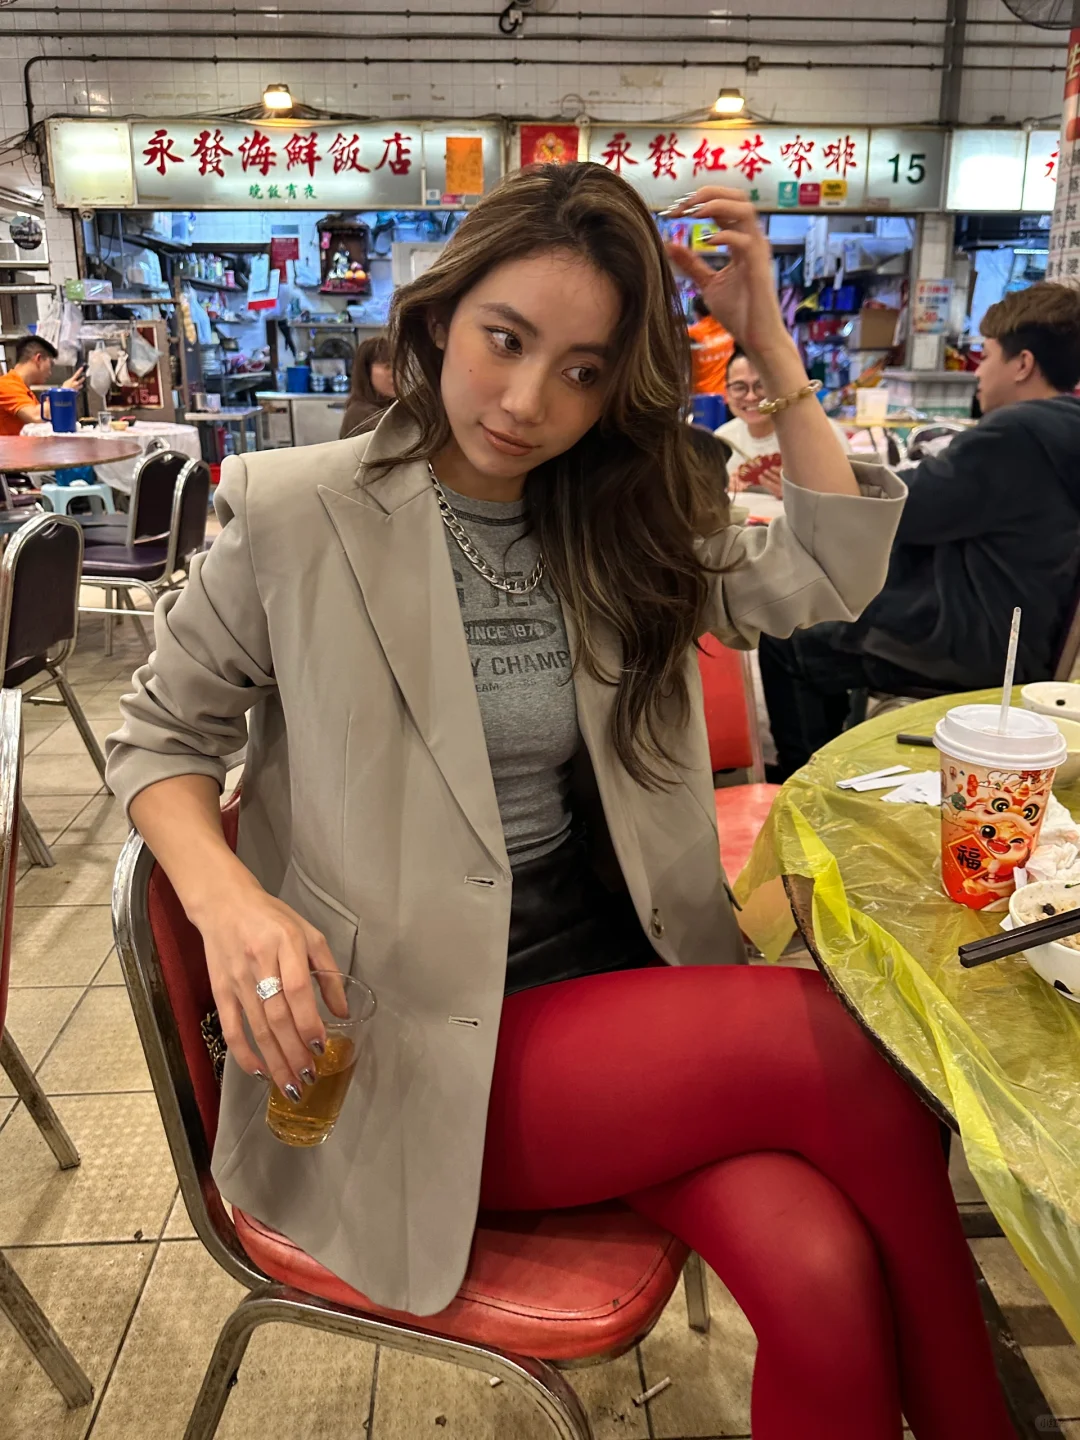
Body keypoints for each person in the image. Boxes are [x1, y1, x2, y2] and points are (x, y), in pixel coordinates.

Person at [106, 164, 1015, 1440]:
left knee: (821, 1276)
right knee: (844, 1044)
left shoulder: (621, 519)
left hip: (619, 988)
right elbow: (158, 740)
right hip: (419, 1051)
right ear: (435, 321)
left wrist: (769, 345)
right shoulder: (292, 513)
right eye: (506, 342)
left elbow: (824, 568)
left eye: (584, 371)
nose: (529, 401)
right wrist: (227, 898)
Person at [760, 280, 1080, 781]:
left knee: (793, 639)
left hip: (976, 642)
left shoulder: (1016, 434)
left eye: (988, 356)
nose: (978, 371)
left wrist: (821, 478)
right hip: (1022, 640)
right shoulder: (1063, 432)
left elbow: (898, 513)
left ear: (1023, 364)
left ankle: (805, 790)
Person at [717, 347, 852, 496]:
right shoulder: (721, 440)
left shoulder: (822, 434)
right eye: (739, 387)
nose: (751, 397)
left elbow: (848, 500)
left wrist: (800, 495)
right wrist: (723, 491)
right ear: (727, 393)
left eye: (761, 385)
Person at [0, 335, 85, 437]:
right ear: (38, 358)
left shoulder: (24, 390)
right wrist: (63, 392)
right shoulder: (6, 385)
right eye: (50, 364)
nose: (50, 373)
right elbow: (36, 417)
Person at [338, 334, 395, 438]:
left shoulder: (388, 406)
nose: (395, 373)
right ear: (366, 371)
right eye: (387, 366)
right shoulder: (361, 414)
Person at [686, 292, 734, 396]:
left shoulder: (692, 333)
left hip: (702, 396)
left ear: (697, 313)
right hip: (728, 394)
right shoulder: (728, 328)